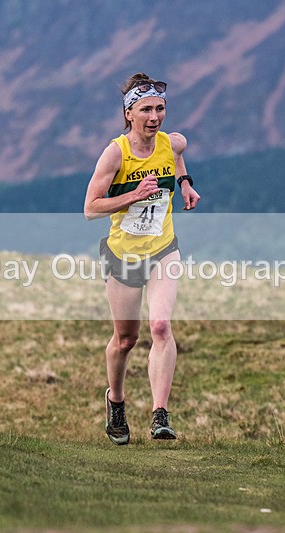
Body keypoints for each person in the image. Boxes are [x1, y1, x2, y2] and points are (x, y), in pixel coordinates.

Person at [84, 73, 201, 445]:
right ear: (129, 113)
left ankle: (159, 415)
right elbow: (90, 208)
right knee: (125, 339)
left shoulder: (172, 142)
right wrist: (132, 196)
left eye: (160, 108)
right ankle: (115, 401)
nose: (155, 116)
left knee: (162, 327)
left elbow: (178, 155)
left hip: (163, 248)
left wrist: (184, 184)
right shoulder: (116, 152)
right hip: (123, 255)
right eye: (146, 109)